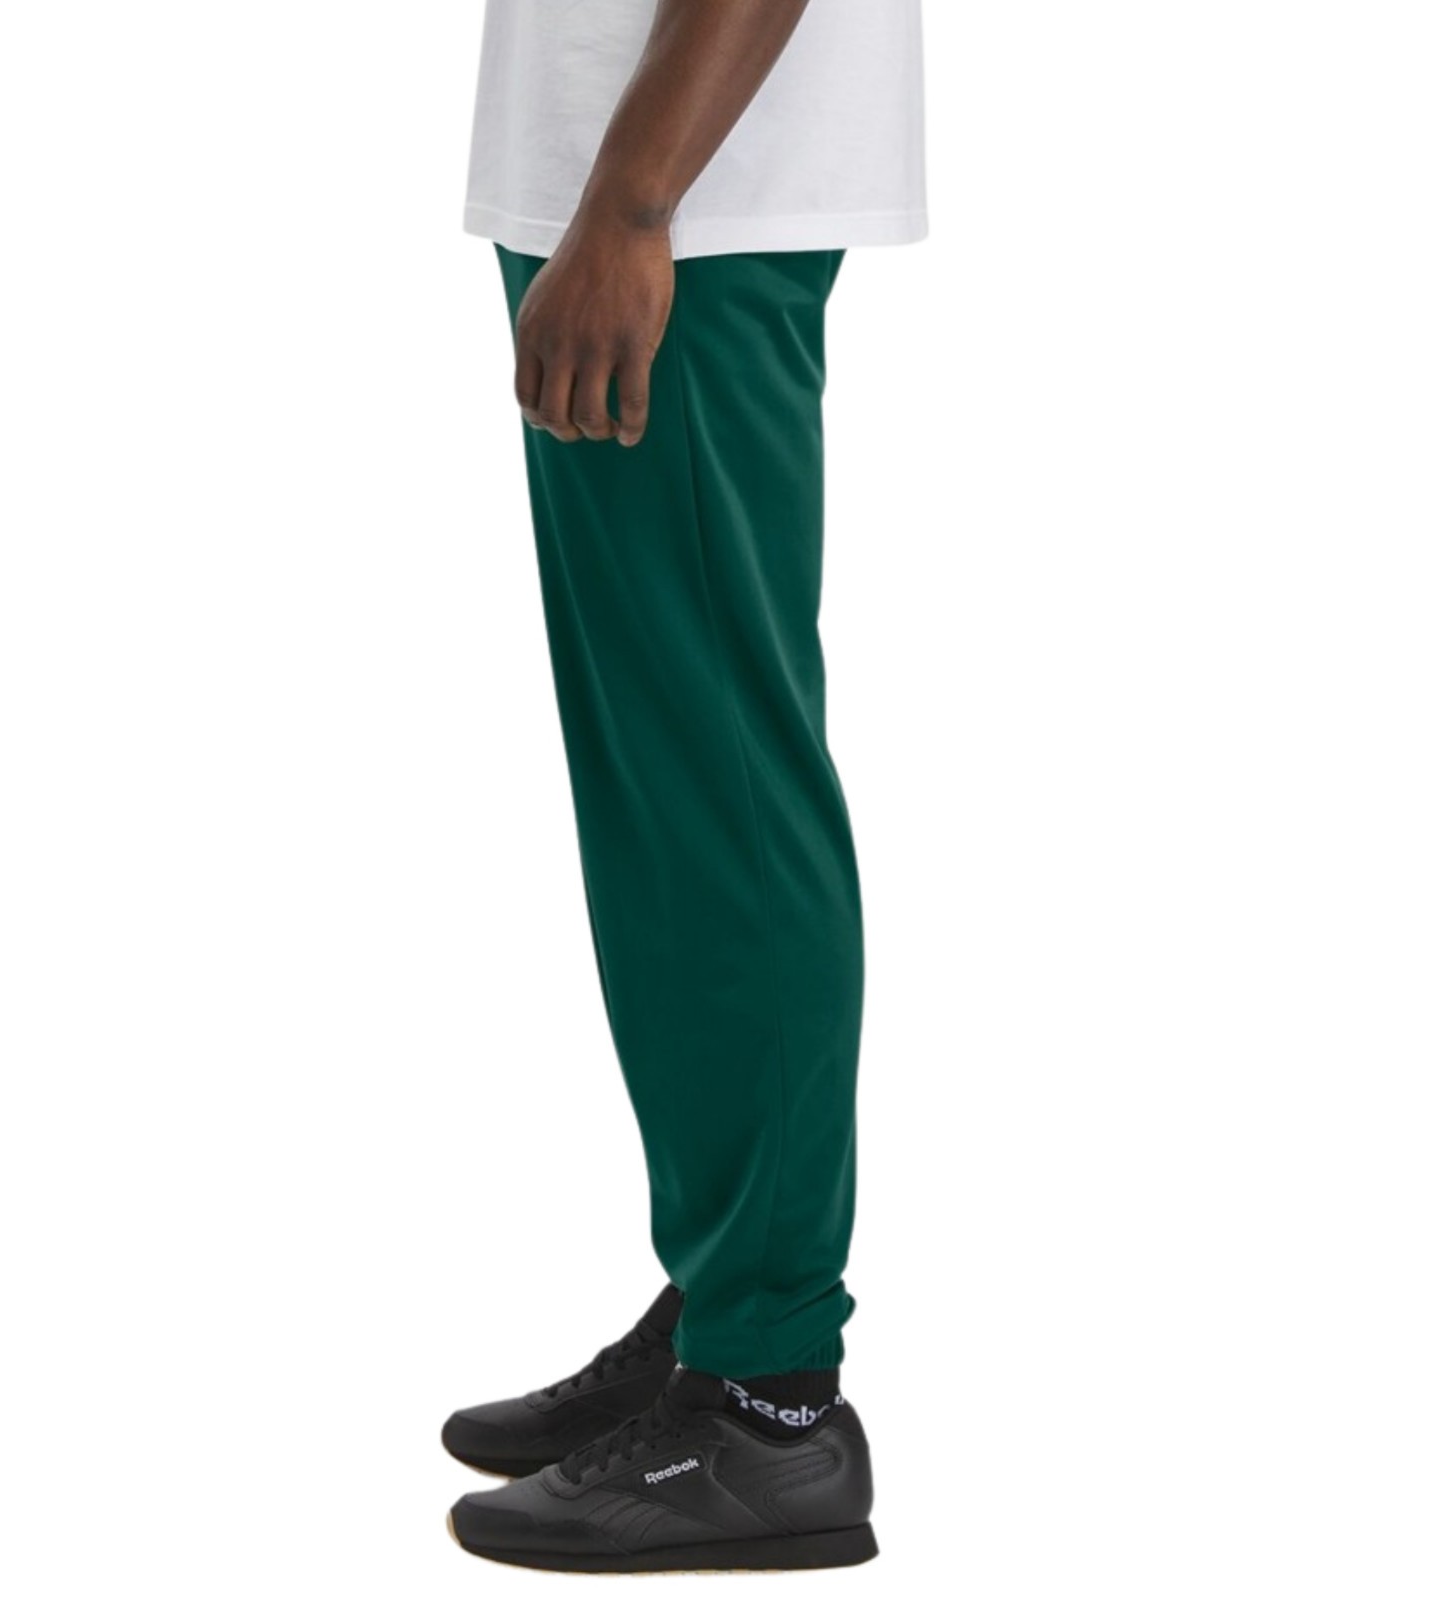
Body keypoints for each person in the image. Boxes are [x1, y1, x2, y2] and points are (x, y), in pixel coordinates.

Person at [440, 0, 927, 1573]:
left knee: (721, 794)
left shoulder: (657, 212)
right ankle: (730, 1295)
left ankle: (771, 1401)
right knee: (662, 804)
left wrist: (634, 204)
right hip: (631, 188)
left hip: (687, 205)